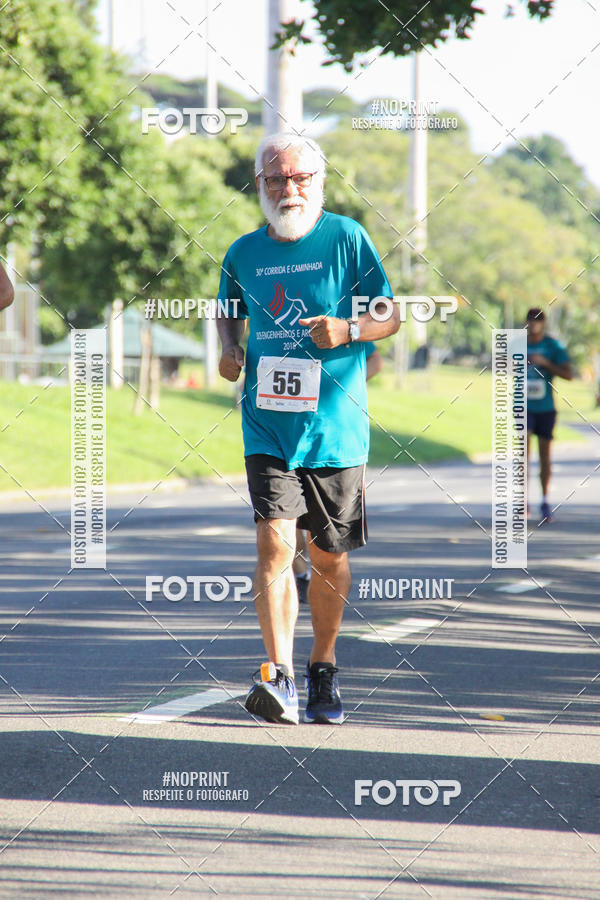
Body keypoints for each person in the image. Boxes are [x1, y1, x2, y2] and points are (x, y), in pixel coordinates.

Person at [217, 133, 399, 725]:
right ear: (261, 185)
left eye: (299, 178)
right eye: (276, 180)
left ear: (317, 181)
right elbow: (228, 310)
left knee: (327, 556)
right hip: (266, 423)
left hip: (335, 427)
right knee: (273, 542)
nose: (288, 189)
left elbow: (389, 315)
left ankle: (323, 666)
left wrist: (348, 331)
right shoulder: (243, 250)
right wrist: (229, 348)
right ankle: (280, 676)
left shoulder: (346, 237)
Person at [293, 342, 382, 604]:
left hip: (329, 433)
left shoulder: (339, 315)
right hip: (278, 430)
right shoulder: (271, 314)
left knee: (322, 540)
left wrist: (337, 386)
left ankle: (308, 577)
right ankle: (298, 576)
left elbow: (375, 360)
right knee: (282, 520)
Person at [525, 307, 572, 523]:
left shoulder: (553, 346)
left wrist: (546, 364)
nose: (534, 324)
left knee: (544, 456)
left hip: (545, 408)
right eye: (531, 320)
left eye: (538, 320)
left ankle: (544, 500)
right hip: (522, 407)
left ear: (543, 323)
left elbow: (568, 374)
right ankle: (522, 501)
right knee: (522, 456)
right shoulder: (518, 344)